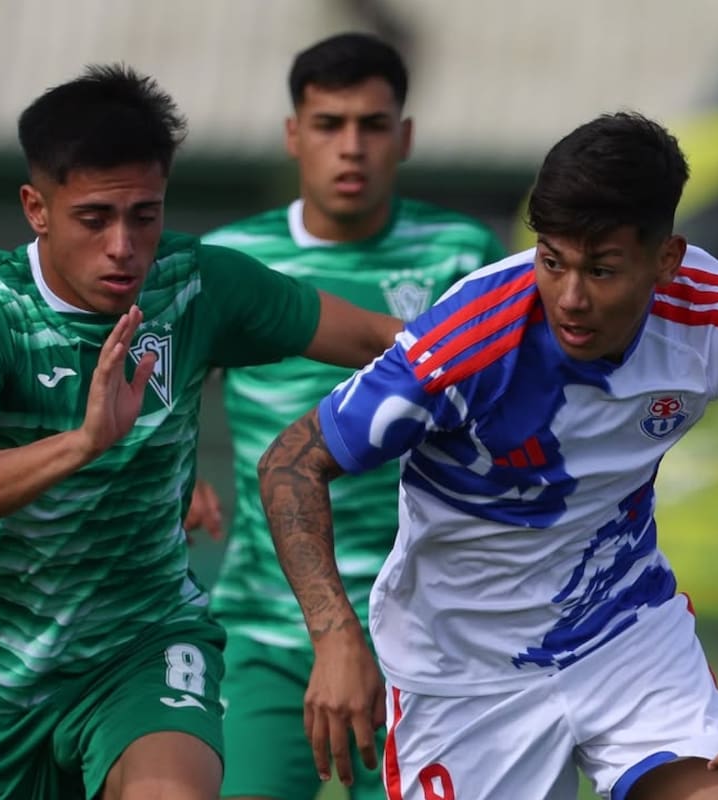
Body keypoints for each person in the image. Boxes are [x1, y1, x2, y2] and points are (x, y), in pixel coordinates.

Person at [256, 111, 718, 799]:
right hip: (463, 672)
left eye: (602, 270)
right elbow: (290, 461)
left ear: (666, 259)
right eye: (553, 261)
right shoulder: (467, 342)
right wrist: (336, 637)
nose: (571, 298)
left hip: (624, 634)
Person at [0, 64, 401, 800]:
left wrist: (536, 337)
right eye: (95, 218)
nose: (124, 246)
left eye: (145, 214)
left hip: (145, 642)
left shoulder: (195, 284)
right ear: (36, 208)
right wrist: (83, 443)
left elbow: (381, 342)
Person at [201, 32, 505, 800]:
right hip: (267, 636)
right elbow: (146, 398)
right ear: (293, 135)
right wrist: (165, 478)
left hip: (425, 641)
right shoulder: (228, 261)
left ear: (403, 137)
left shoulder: (461, 255)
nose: (352, 148)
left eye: (372, 126)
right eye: (330, 124)